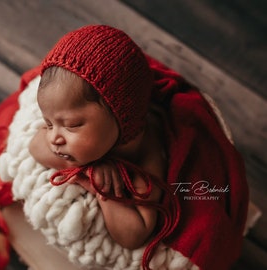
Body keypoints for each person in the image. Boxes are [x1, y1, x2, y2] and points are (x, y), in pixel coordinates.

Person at [25, 25, 248, 270]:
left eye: (72, 125)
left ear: (119, 116)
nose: (54, 137)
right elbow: (35, 146)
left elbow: (134, 234)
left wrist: (103, 189)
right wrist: (90, 167)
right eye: (48, 123)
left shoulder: (145, 156)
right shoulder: (75, 133)